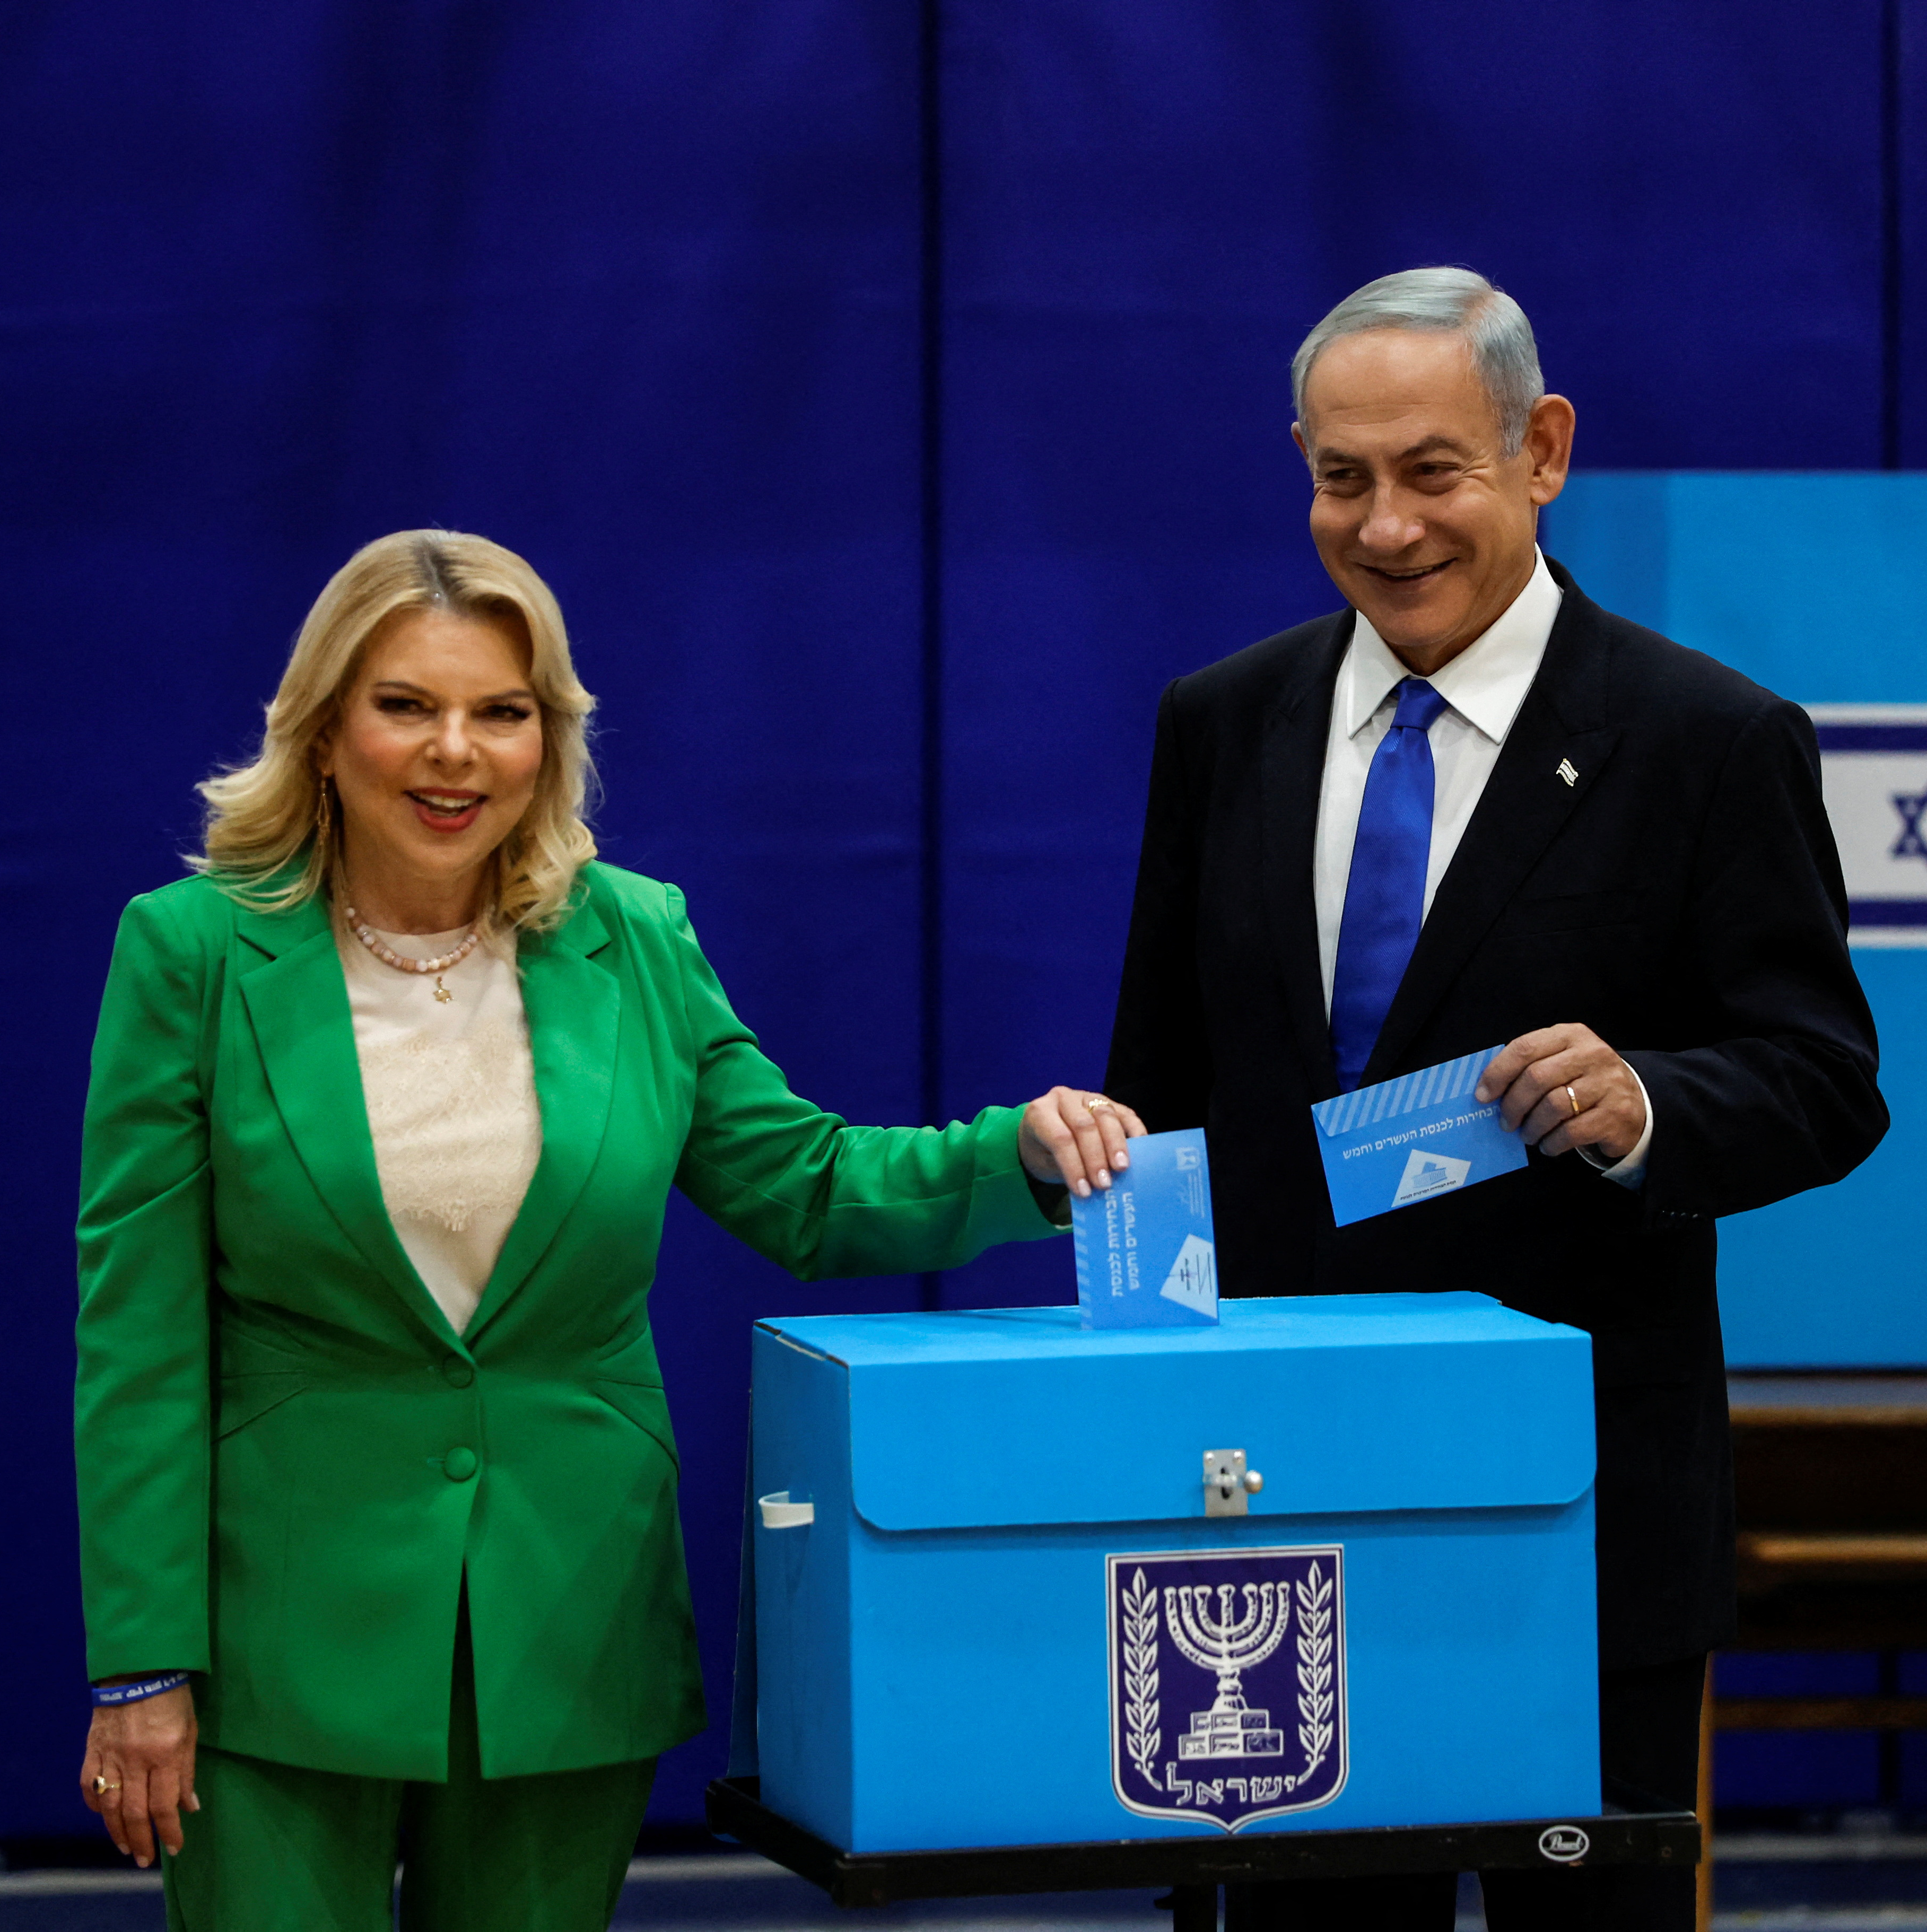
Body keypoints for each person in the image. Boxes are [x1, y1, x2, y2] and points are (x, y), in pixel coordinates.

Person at [74, 530, 1143, 1931]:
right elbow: (138, 1334)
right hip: (273, 1639)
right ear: (325, 726)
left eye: (502, 713)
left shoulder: (634, 936)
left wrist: (1023, 1158)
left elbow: (808, 1187)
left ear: (548, 738)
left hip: (565, 1623)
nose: (454, 753)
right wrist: (142, 1664)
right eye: (407, 705)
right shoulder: (193, 951)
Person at [1104, 268, 1887, 1930]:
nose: (1384, 526)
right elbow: (1162, 1098)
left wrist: (1649, 1103)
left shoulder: (1706, 740)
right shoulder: (1222, 724)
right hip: (1269, 1518)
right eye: (1340, 477)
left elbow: (1825, 1081)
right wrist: (1137, 1401)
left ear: (1543, 450)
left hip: (1575, 1517)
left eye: (1433, 470)